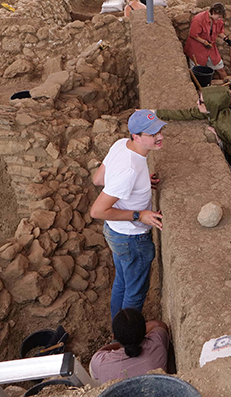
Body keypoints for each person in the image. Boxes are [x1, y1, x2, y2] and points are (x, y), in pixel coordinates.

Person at [157, 87, 231, 244]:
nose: (197, 103)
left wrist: (220, 141)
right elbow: (188, 113)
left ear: (212, 104)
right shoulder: (214, 112)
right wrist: (155, 112)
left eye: (201, 101)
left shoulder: (228, 127)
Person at [90, 110, 166, 319]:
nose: (159, 137)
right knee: (135, 293)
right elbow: (97, 211)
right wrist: (139, 215)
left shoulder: (121, 145)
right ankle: (126, 341)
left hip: (115, 233)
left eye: (159, 130)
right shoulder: (129, 171)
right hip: (131, 238)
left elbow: (99, 179)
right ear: (137, 137)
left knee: (122, 282)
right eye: (152, 134)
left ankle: (118, 332)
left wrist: (137, 185)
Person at [90, 309, 170, 383]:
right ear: (144, 329)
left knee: (92, 369)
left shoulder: (101, 363)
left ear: (114, 336)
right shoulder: (157, 342)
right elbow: (159, 325)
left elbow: (99, 353)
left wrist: (120, 344)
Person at [183, 3, 231, 80]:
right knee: (198, 72)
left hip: (210, 48)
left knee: (219, 67)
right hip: (197, 49)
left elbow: (219, 31)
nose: (219, 19)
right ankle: (200, 89)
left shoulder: (217, 20)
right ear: (213, 12)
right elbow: (193, 34)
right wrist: (204, 42)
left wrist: (226, 39)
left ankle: (229, 85)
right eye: (218, 16)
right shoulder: (198, 19)